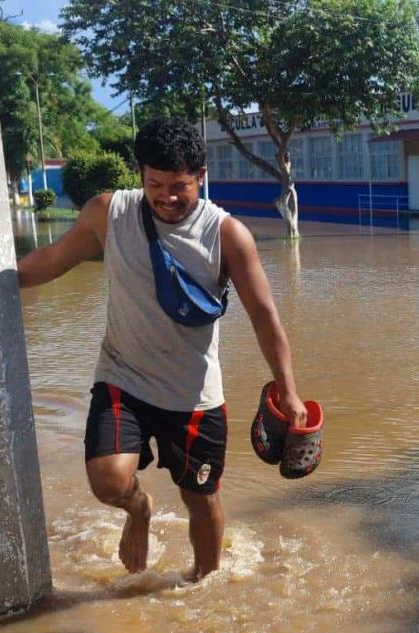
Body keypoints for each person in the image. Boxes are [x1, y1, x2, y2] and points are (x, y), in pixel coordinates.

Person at [17, 118, 306, 581]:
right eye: (155, 184)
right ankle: (139, 510)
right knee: (109, 480)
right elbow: (48, 263)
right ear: (140, 175)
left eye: (180, 186)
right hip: (123, 378)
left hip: (193, 395)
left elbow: (265, 316)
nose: (167, 197)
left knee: (201, 498)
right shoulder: (107, 213)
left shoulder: (227, 234)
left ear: (201, 176)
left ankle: (203, 585)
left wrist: (288, 392)